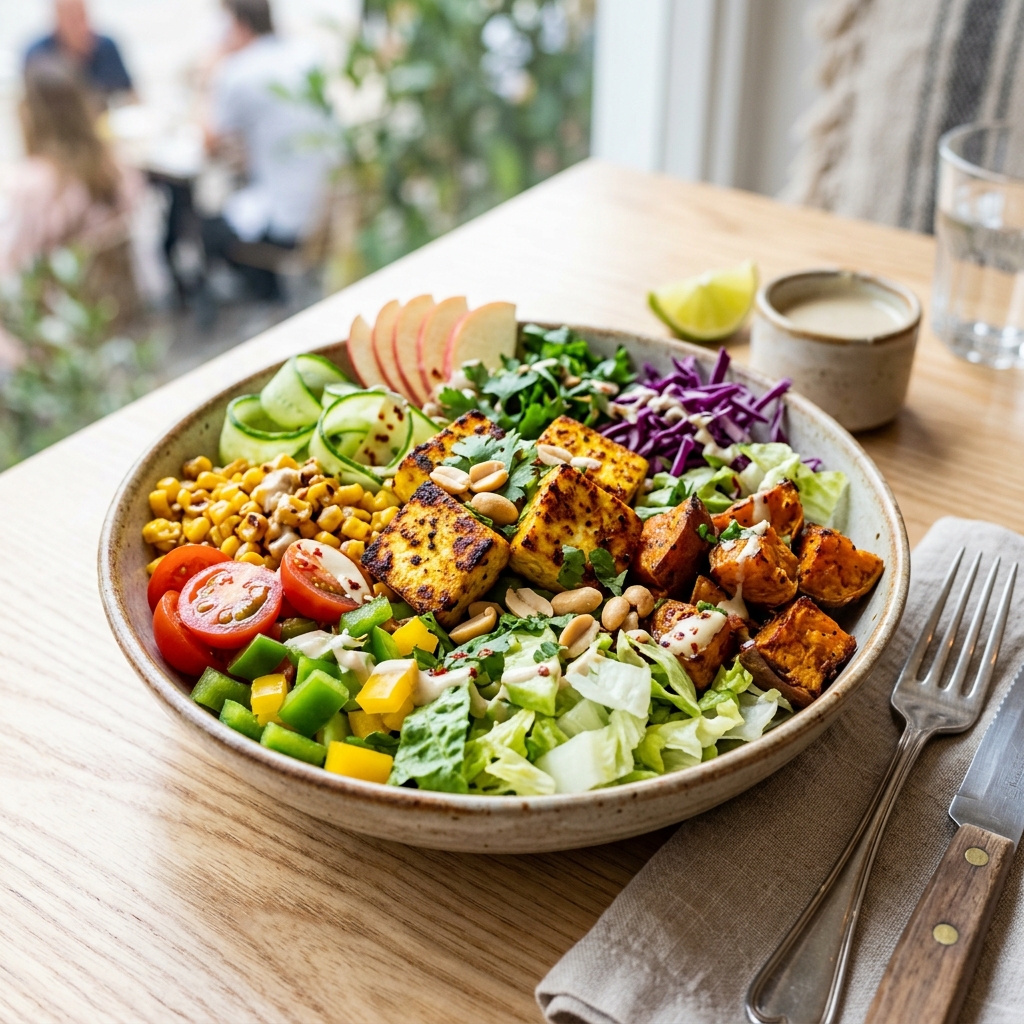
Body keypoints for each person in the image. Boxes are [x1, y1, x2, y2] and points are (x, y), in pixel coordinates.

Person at [200, 0, 333, 304]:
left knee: (208, 227)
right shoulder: (305, 52)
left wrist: (209, 73)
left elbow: (206, 140)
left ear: (237, 24)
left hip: (288, 220)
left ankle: (265, 296)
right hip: (327, 205)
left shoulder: (237, 71)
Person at [0, 57, 141, 318]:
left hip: (59, 318)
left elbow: (10, 263)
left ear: (30, 114)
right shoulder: (116, 164)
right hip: (114, 305)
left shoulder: (33, 184)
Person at [24, 0, 134, 107]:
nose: (77, 23)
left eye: (81, 15)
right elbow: (28, 104)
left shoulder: (106, 47)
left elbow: (132, 95)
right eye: (70, 17)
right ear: (56, 18)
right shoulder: (38, 54)